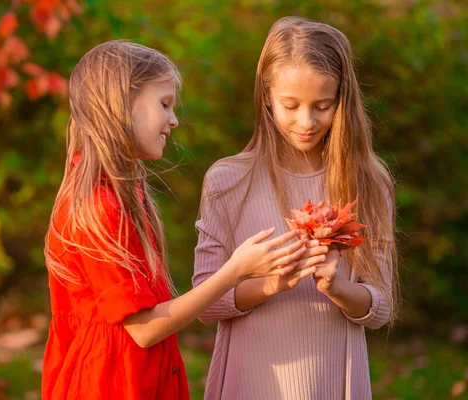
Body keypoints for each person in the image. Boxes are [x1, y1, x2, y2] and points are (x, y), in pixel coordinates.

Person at [40, 40, 324, 400]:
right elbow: (143, 329)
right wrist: (234, 271)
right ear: (122, 104)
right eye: (164, 104)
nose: (173, 119)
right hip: (109, 386)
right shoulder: (97, 206)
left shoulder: (125, 195)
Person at [193, 16, 399, 400]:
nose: (307, 122)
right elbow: (206, 301)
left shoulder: (369, 181)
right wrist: (272, 283)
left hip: (333, 377)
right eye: (291, 105)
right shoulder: (229, 179)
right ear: (266, 95)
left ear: (342, 99)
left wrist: (338, 288)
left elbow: (381, 306)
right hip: (253, 377)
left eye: (323, 105)